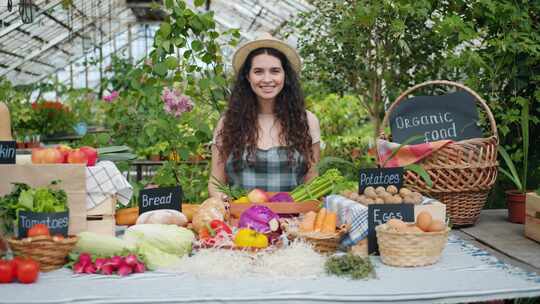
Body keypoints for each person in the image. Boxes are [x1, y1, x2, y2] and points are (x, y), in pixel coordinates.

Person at [209, 33, 321, 200]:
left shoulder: (306, 121)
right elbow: (216, 181)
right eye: (258, 71)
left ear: (285, 75)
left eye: (275, 71)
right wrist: (225, 201)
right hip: (240, 222)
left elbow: (312, 178)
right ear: (248, 77)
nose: (267, 79)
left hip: (291, 222)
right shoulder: (228, 122)